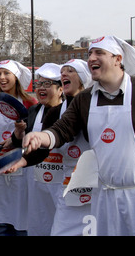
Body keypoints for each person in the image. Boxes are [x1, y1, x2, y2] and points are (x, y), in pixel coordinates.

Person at [23, 36, 135, 236]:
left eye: (99, 52)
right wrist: (41, 137)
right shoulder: (85, 98)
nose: (91, 58)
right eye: (90, 53)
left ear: (118, 59)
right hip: (105, 198)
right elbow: (62, 129)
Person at [10, 63, 64, 236]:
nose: (41, 88)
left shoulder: (69, 112)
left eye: (47, 84)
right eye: (39, 84)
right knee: (39, 224)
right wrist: (18, 134)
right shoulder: (33, 110)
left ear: (60, 89)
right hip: (36, 182)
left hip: (61, 182)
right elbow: (22, 144)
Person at [0, 60, 37, 236]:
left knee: (21, 217)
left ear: (16, 76)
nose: (2, 77)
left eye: (6, 73)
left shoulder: (30, 102)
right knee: (2, 220)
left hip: (21, 165)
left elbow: (36, 135)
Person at [48, 59, 94, 236]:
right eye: (63, 71)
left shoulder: (96, 107)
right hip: (68, 186)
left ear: (82, 79)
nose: (64, 74)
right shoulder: (55, 112)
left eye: (70, 71)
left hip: (95, 187)